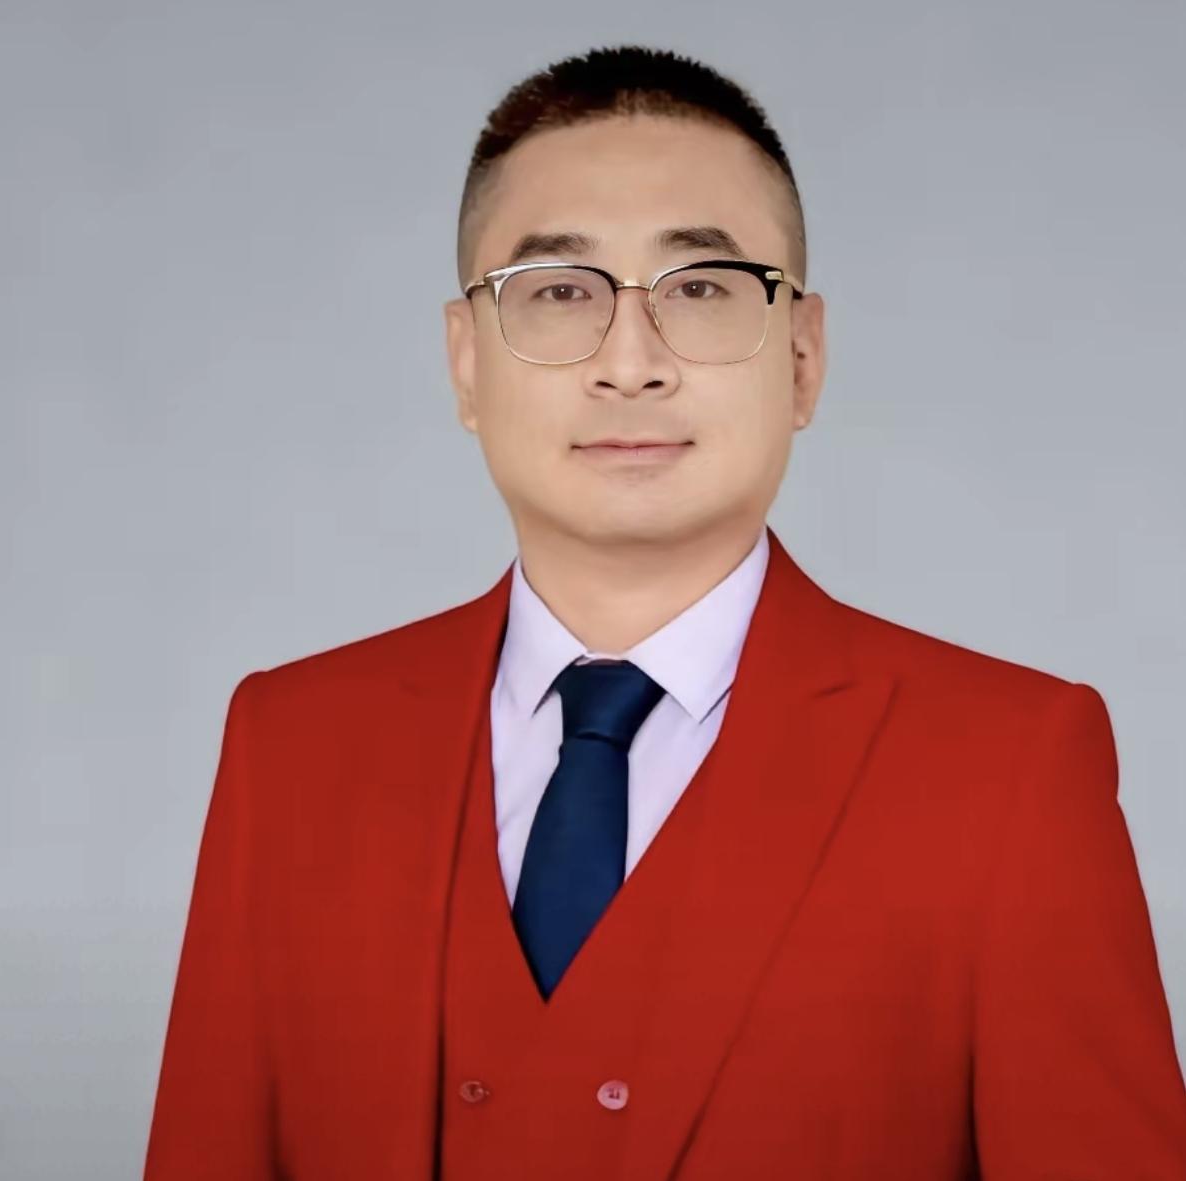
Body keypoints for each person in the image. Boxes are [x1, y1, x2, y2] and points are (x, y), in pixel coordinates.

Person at [143, 44, 1186, 1180]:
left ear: (801, 357)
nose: (629, 364)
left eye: (700, 288)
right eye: (558, 291)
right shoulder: (291, 741)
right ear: (465, 363)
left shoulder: (1009, 766)